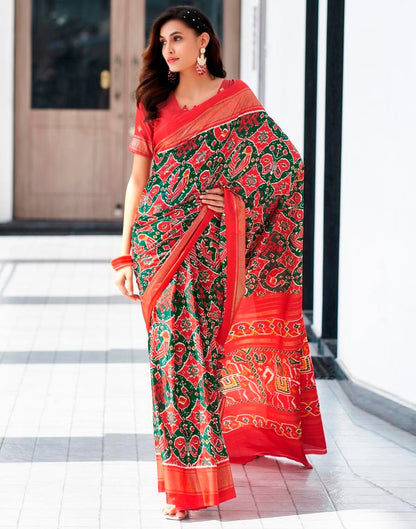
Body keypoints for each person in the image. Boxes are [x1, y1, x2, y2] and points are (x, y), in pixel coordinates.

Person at [111, 4, 327, 522]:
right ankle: (184, 491)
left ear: (204, 41)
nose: (169, 49)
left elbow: (284, 168)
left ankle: (204, 468)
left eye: (179, 39)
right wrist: (123, 256)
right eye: (163, 41)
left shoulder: (237, 101)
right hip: (158, 249)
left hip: (211, 253)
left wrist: (235, 198)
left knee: (202, 361)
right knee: (173, 365)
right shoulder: (153, 103)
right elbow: (137, 184)